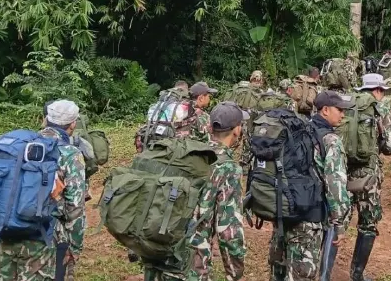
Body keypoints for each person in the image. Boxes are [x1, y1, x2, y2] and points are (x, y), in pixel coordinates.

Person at [144, 102, 248, 280]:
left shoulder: (188, 153)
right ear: (237, 130)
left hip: (157, 259)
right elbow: (229, 230)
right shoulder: (227, 168)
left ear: (209, 128)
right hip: (189, 267)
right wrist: (235, 272)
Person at [0, 100, 87, 281]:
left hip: (4, 233)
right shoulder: (69, 154)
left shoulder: (21, 146)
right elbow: (75, 207)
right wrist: (74, 247)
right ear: (73, 124)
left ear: (45, 119)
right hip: (44, 237)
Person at [268, 91, 353, 281]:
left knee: (278, 274)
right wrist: (339, 223)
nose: (343, 114)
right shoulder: (330, 141)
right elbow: (336, 186)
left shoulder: (297, 131)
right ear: (325, 110)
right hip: (309, 220)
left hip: (284, 212)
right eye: (339, 110)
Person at [346, 74, 391, 281]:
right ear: (377, 90)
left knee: (336, 221)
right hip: (368, 175)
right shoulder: (380, 109)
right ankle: (357, 273)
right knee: (367, 223)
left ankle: (323, 272)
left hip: (341, 171)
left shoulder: (345, 105)